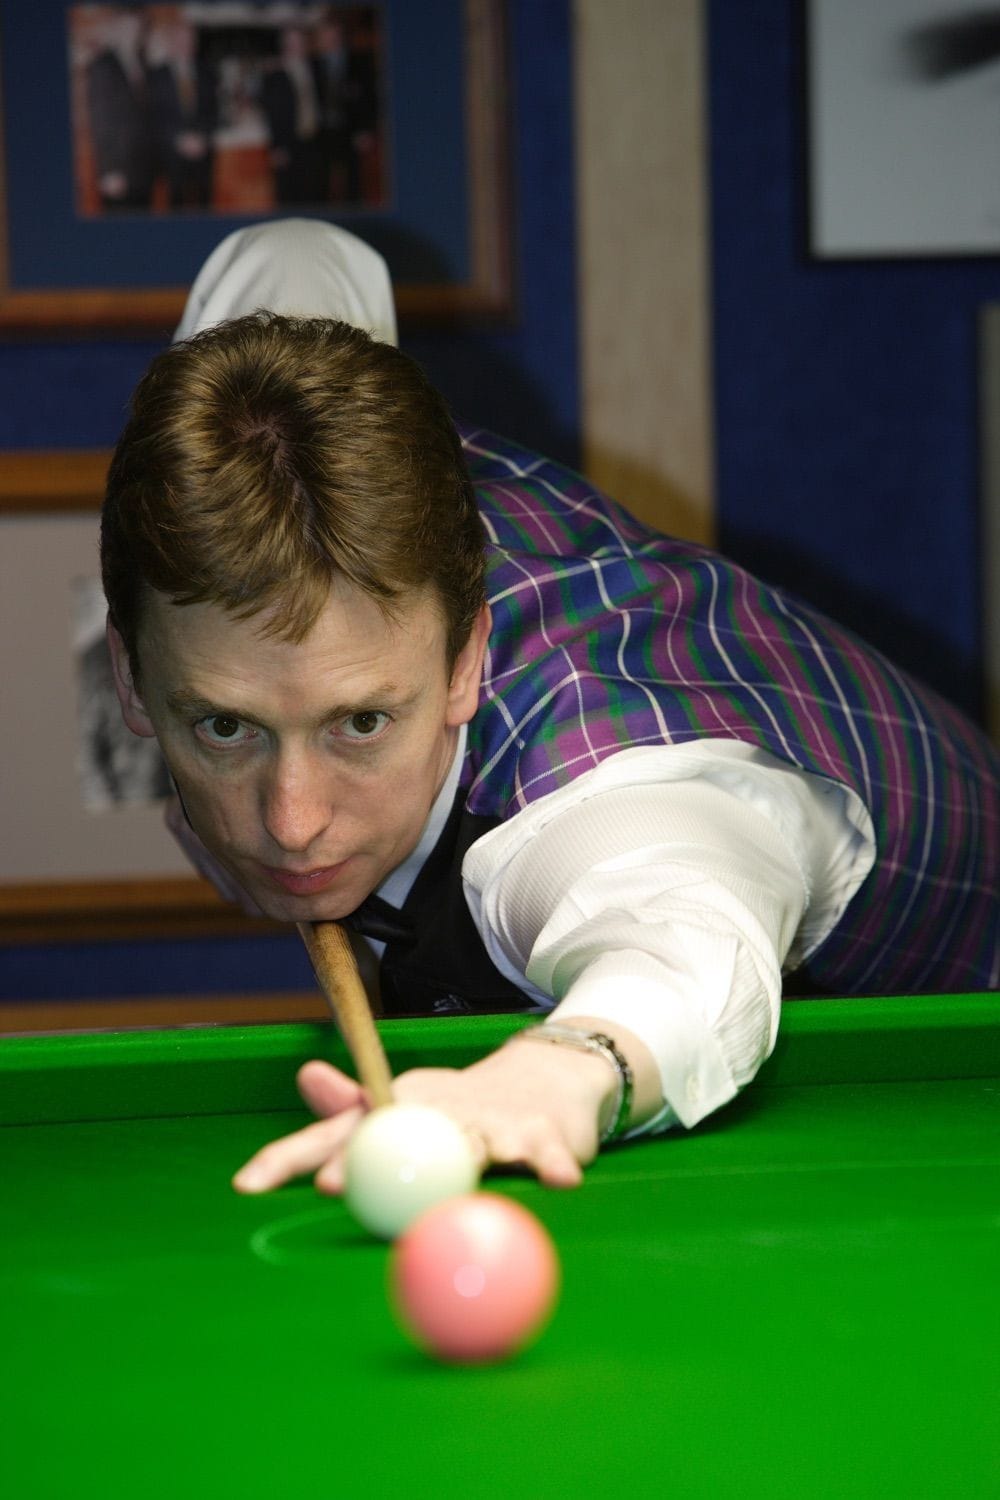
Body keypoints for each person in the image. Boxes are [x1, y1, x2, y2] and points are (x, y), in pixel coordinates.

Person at [101, 220, 998, 1197]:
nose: (293, 818)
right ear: (127, 673)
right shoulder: (293, 455)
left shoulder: (589, 787)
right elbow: (302, 259)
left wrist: (559, 1071)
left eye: (360, 723)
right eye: (224, 726)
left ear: (463, 661)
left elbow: (680, 934)